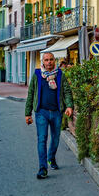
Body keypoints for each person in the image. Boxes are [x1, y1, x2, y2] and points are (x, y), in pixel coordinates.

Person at [25, 52, 74, 180]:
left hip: (57, 112)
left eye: (51, 59)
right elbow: (31, 93)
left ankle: (51, 158)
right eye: (46, 60)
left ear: (54, 61)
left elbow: (67, 91)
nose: (49, 62)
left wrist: (69, 106)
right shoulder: (37, 75)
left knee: (56, 138)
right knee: (42, 139)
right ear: (43, 62)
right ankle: (42, 169)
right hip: (41, 112)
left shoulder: (60, 75)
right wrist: (27, 113)